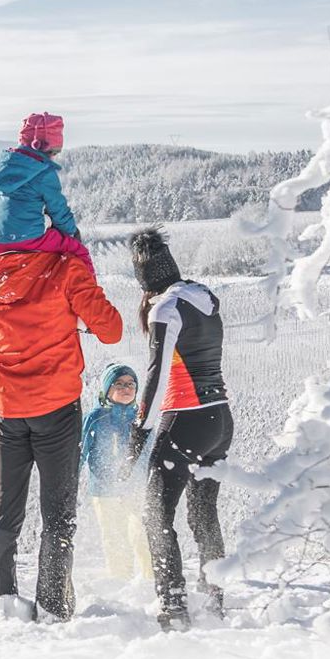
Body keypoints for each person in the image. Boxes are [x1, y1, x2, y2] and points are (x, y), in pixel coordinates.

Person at [0, 244, 122, 621]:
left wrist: (2, 322)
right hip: (57, 408)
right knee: (58, 511)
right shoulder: (64, 270)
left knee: (5, 507)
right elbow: (111, 330)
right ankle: (53, 604)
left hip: (8, 410)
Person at [126, 227, 232, 632]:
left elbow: (154, 376)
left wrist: (140, 429)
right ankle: (214, 598)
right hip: (221, 420)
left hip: (186, 419)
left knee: (156, 515)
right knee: (204, 514)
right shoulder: (202, 298)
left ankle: (173, 606)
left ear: (144, 282)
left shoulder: (165, 310)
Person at [0, 112, 95, 273]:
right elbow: (58, 208)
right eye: (54, 152)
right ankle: (90, 296)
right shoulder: (43, 172)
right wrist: (72, 231)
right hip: (27, 240)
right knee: (78, 250)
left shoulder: (5, 167)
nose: (53, 158)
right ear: (41, 146)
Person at [81, 363, 151, 582]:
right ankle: (121, 583)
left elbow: (153, 452)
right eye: (118, 384)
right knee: (114, 539)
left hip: (136, 489)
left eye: (131, 384)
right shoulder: (96, 417)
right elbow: (80, 452)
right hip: (104, 491)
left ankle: (151, 582)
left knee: (143, 535)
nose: (126, 388)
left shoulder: (142, 418)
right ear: (107, 389)